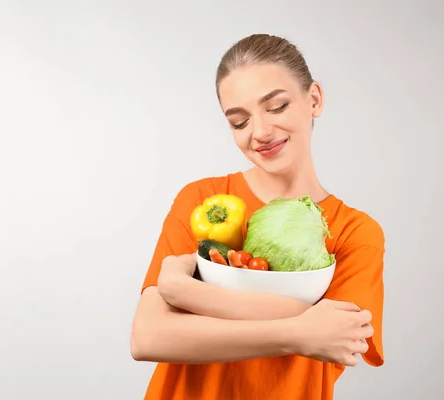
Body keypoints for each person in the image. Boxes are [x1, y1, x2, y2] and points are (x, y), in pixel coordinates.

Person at [130, 33, 386, 400]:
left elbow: (339, 336)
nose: (261, 132)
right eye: (239, 122)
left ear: (313, 99)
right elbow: (148, 337)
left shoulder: (355, 232)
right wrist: (299, 327)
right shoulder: (204, 202)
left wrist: (184, 290)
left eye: (277, 106)